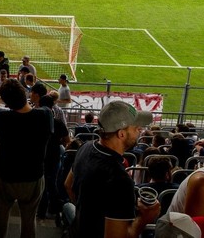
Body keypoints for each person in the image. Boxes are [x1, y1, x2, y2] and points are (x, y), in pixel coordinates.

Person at [64, 100, 158, 238]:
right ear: (121, 134)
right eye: (136, 127)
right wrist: (144, 218)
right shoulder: (119, 179)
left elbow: (68, 185)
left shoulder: (86, 147)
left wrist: (86, 213)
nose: (140, 129)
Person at [0, 78, 53, 238]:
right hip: (32, 176)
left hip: (5, 174)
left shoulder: (2, 116)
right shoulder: (45, 115)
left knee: (0, 215)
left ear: (5, 101)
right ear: (24, 93)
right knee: (28, 219)